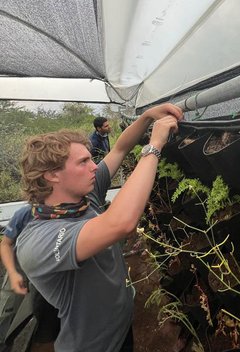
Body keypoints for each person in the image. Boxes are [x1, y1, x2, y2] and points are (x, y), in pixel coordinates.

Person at [16, 104, 181, 351]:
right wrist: (154, 146)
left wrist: (147, 117)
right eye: (83, 162)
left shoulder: (84, 196)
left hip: (121, 326)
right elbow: (121, 223)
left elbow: (120, 149)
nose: (95, 166)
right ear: (52, 175)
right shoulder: (39, 240)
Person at [0, 205, 61, 348]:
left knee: (44, 318)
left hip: (46, 273)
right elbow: (6, 244)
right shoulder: (25, 214)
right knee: (6, 312)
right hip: (19, 269)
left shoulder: (67, 213)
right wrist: (13, 272)